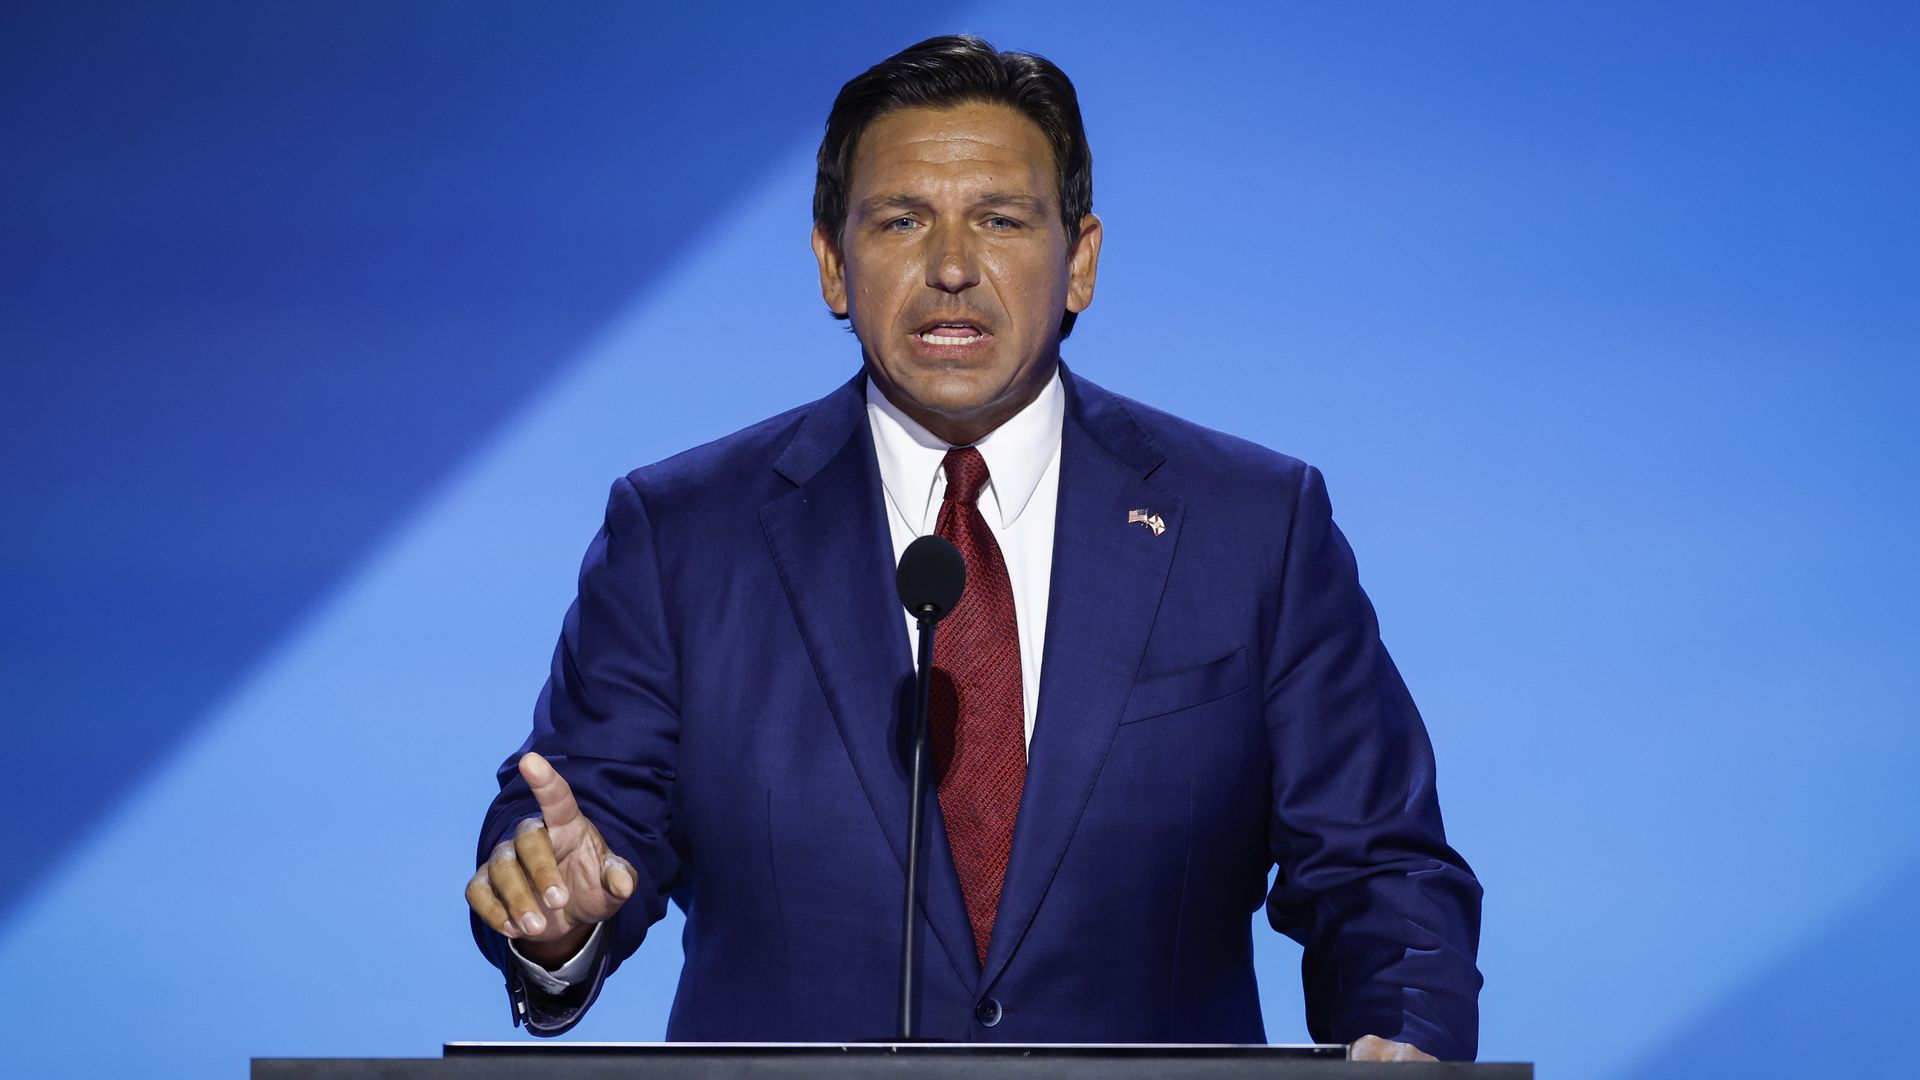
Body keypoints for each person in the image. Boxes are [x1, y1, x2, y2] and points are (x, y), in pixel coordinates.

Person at [464, 34, 1481, 1062]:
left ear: (1079, 260)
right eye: (902, 221)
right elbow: (579, 827)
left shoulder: (1254, 525)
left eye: (999, 220)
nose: (951, 268)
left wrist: (1402, 1038)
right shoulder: (683, 535)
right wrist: (561, 910)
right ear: (831, 264)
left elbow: (1378, 871)